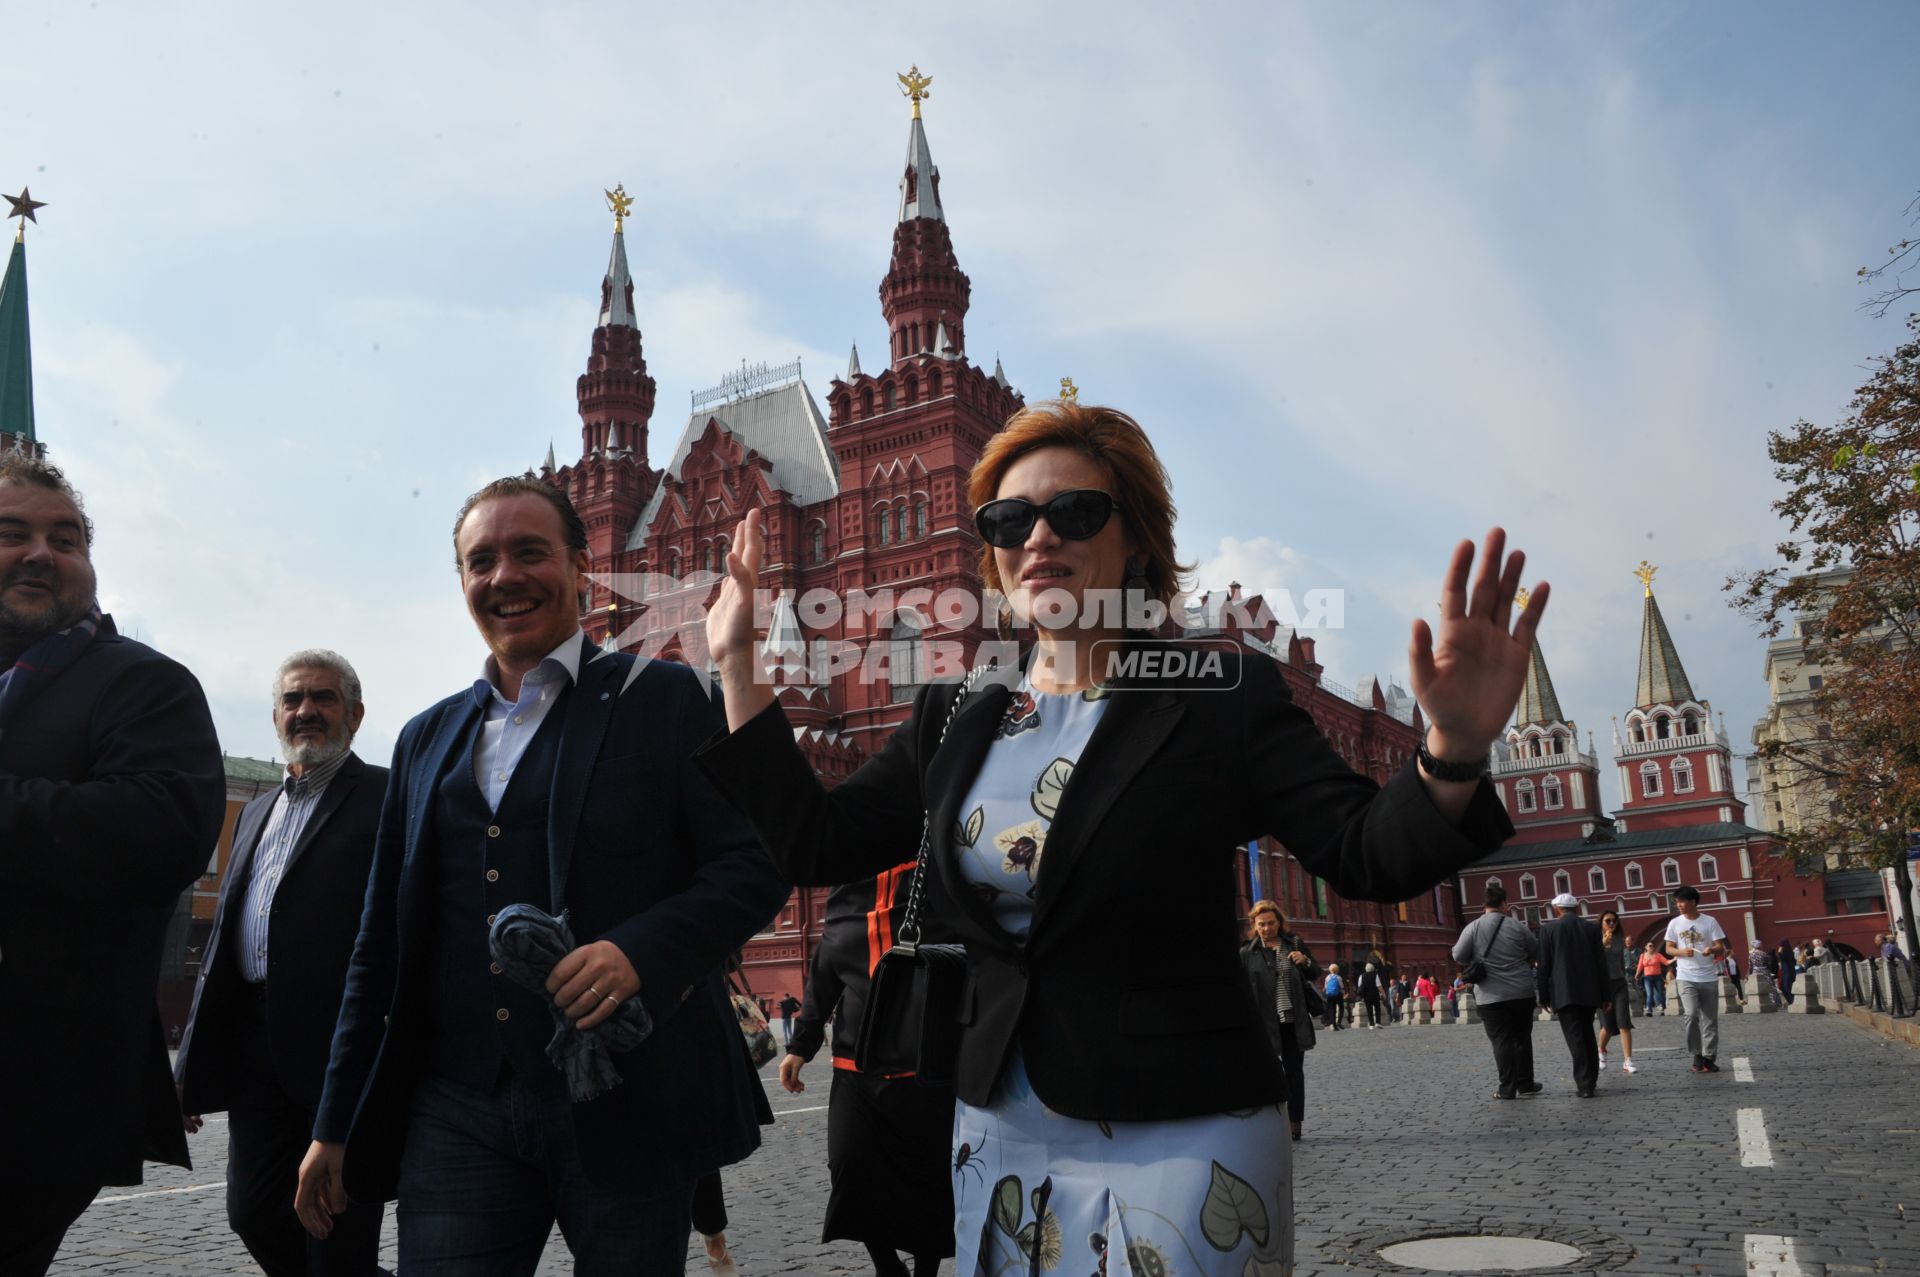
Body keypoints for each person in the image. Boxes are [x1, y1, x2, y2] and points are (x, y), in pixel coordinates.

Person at [697, 402, 1541, 1276]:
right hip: (998, 1131)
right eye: (1009, 519)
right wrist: (736, 665)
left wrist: (1454, 749)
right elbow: (814, 842)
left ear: (1134, 538)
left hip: (1183, 1125)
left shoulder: (1218, 693)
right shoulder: (955, 715)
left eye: (1075, 512)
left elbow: (1364, 849)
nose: (1038, 538)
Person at [293, 478, 789, 1275]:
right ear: (461, 583)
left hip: (631, 1096)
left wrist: (642, 952)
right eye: (481, 560)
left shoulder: (663, 697)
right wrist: (333, 1120)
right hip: (458, 1104)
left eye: (531, 552)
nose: (505, 576)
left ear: (583, 568)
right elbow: (379, 944)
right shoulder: (425, 739)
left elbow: (756, 861)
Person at [0, 455, 226, 1276]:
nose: (39, 552)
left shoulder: (141, 683)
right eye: (11, 532)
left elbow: (159, 830)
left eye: (64, 538)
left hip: (35, 1086)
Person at [174, 651, 392, 1277]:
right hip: (255, 1048)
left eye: (323, 698)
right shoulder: (254, 811)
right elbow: (220, 948)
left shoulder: (386, 796)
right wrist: (188, 1066)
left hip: (340, 1049)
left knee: (335, 1232)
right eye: (294, 700)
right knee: (252, 1211)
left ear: (354, 713)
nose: (307, 711)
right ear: (275, 715)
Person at [780, 869, 954, 1276]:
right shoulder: (844, 887)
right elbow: (825, 967)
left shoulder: (937, 875)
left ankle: (925, 1270)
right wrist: (800, 1046)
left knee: (926, 1176)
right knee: (850, 1168)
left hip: (926, 1066)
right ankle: (887, 1266)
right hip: (853, 1066)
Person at [1453, 883, 1541, 1099]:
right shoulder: (1518, 927)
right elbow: (1536, 951)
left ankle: (1507, 1088)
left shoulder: (1473, 928)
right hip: (1521, 992)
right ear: (1504, 903)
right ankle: (1526, 1083)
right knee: (1521, 1038)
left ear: (1484, 904)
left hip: (1490, 995)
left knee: (1501, 1040)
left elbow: (1459, 956)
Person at [1240, 901, 1319, 1140]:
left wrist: (1304, 962)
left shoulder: (1293, 944)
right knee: (1267, 1074)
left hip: (1293, 1022)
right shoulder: (1247, 952)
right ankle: (1270, 1123)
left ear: (1279, 922)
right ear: (1254, 925)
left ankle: (1295, 1122)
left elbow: (1315, 972)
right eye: (1261, 924)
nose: (1266, 928)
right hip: (1264, 1024)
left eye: (1271, 923)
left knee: (1294, 1073)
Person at [1536, 894, 1609, 1098]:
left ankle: (1585, 1084)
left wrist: (1543, 996)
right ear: (1576, 909)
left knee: (1575, 1039)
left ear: (1557, 909)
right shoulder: (1592, 929)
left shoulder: (1548, 929)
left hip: (1563, 991)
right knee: (1587, 1034)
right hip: (1589, 991)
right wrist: (1606, 995)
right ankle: (1590, 1080)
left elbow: (1544, 966)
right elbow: (1601, 964)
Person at [1666, 885, 1730, 1074]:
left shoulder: (1710, 921)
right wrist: (1680, 952)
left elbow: (1721, 946)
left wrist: (1712, 949)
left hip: (1708, 976)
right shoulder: (1675, 923)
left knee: (1710, 1020)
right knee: (1691, 1015)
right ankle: (1696, 1054)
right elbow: (1669, 948)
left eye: (1682, 901)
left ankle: (1709, 1057)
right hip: (1685, 976)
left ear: (1693, 902)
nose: (1679, 905)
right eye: (1676, 902)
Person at [1594, 910, 1637, 1074]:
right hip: (1602, 986)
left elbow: (1620, 962)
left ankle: (1628, 1061)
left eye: (1614, 921)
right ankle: (1601, 1050)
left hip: (1619, 984)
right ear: (1601, 923)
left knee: (1624, 1022)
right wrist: (1603, 944)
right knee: (1608, 1026)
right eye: (1608, 921)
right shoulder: (1594, 940)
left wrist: (1625, 978)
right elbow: (1591, 960)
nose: (1612, 923)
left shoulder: (1620, 941)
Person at [1749, 938, 1786, 1010]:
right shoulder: (1764, 953)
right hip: (1764, 971)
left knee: (1757, 987)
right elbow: (1767, 964)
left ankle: (1758, 1002)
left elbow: (1750, 965)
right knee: (1770, 987)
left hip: (1755, 972)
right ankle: (1775, 1002)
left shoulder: (1751, 955)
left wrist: (1750, 974)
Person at [1636, 942, 1670, 1015]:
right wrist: (1637, 974)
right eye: (1650, 946)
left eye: (1653, 946)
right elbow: (1640, 966)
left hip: (1657, 976)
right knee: (1649, 993)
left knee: (1660, 993)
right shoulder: (1643, 955)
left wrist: (1675, 959)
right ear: (1646, 947)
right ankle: (1649, 1010)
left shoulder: (1657, 955)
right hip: (1647, 977)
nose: (1652, 947)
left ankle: (1663, 1009)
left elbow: (1666, 962)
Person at [1356, 961, 1386, 1029]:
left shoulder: (1361, 976)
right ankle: (1378, 1023)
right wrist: (1384, 994)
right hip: (1375, 994)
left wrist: (1361, 995)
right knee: (1377, 1009)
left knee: (1369, 1010)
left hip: (1366, 995)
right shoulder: (1375, 975)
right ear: (1373, 968)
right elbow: (1379, 986)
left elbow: (1359, 986)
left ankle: (1371, 1024)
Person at [1322, 963, 1346, 1030]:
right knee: (1341, 1008)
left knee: (1332, 1009)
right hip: (1338, 995)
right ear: (1337, 970)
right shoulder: (1338, 977)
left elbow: (1326, 987)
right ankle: (1339, 1022)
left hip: (1329, 995)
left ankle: (1333, 1024)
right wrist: (1343, 993)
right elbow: (1341, 987)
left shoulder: (1327, 977)